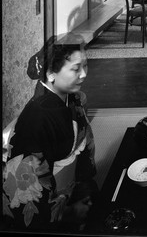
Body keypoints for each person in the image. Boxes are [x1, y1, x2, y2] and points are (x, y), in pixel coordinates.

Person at [2, 33, 97, 232]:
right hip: (49, 211)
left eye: (85, 66)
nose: (84, 74)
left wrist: (84, 186)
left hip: (72, 191)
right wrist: (69, 211)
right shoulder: (35, 121)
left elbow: (84, 146)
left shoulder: (70, 98)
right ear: (51, 73)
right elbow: (28, 200)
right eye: (75, 69)